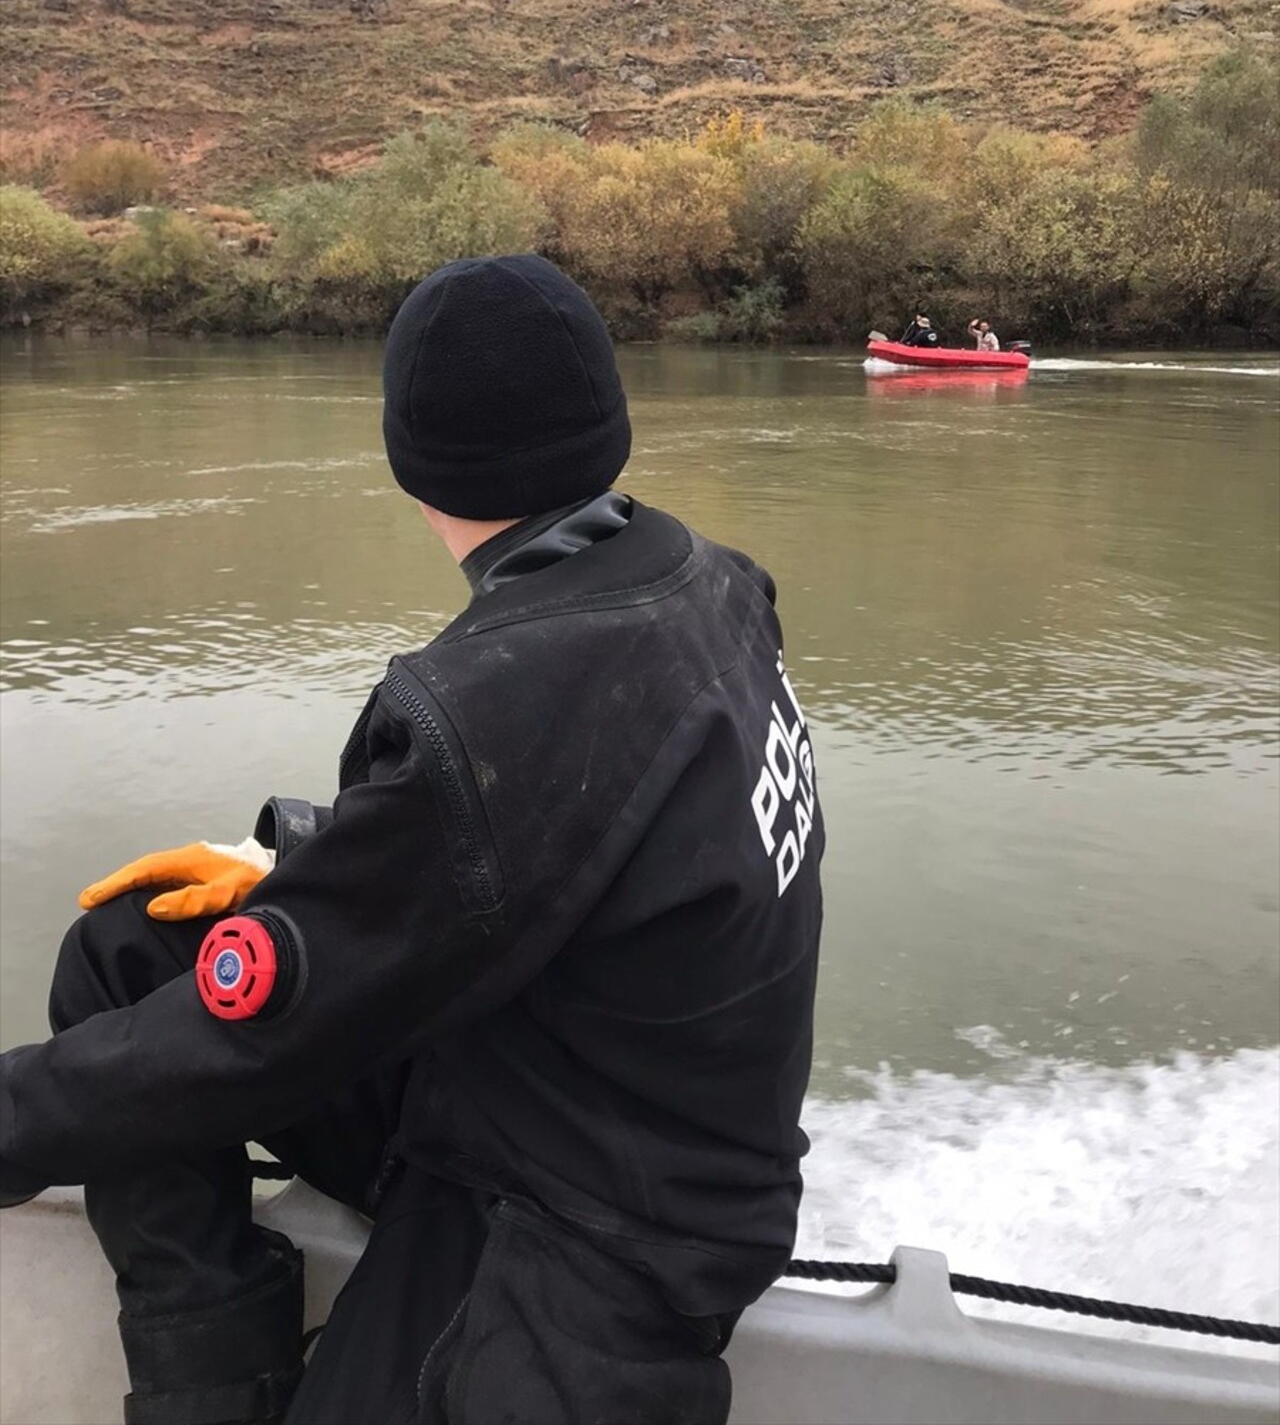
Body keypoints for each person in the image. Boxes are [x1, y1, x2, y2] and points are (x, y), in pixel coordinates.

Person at [0, 255, 825, 1425]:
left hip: (601, 1222)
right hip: (554, 1089)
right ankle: (215, 1391)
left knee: (181, 1031)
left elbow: (251, 1045)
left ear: (411, 459)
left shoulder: (496, 698)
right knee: (133, 951)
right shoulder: (706, 584)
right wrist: (294, 867)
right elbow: (583, 830)